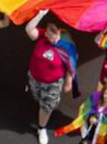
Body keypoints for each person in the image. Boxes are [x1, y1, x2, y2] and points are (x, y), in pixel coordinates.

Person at [25, 10, 74, 144]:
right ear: (46, 34)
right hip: (35, 78)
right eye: (51, 37)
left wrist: (68, 81)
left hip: (52, 82)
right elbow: (29, 29)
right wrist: (40, 14)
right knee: (38, 98)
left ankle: (42, 128)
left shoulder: (65, 45)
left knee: (46, 106)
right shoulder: (41, 36)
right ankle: (44, 106)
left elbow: (71, 64)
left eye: (56, 36)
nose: (54, 40)